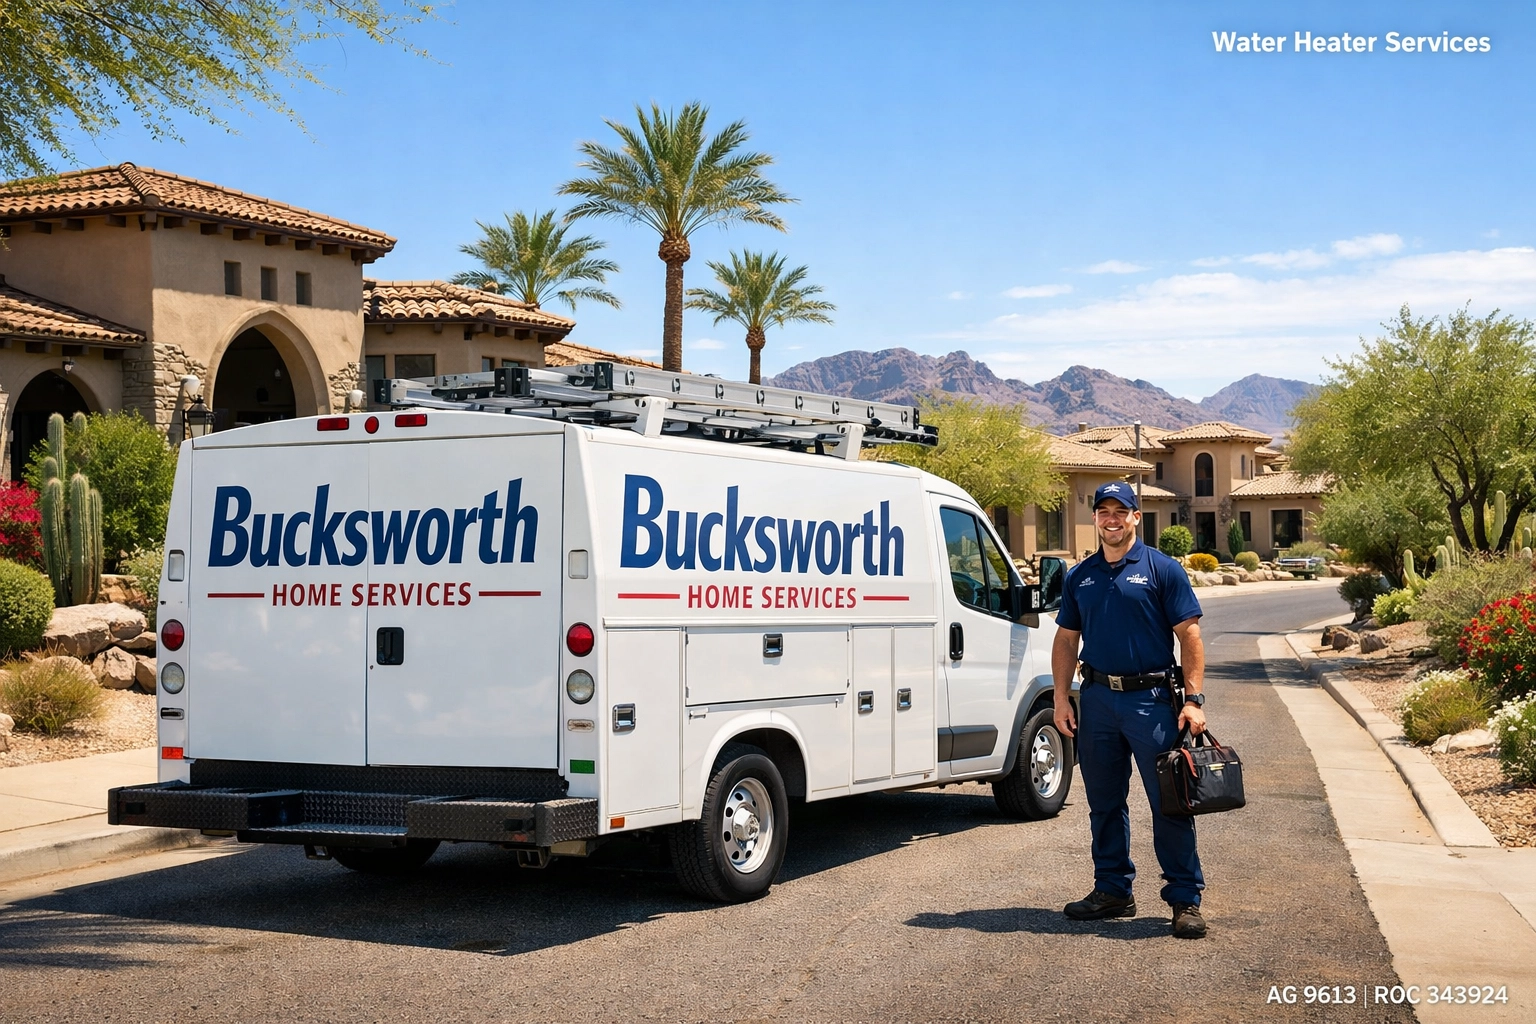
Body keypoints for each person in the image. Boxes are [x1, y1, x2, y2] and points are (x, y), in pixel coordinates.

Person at [1051, 481, 1210, 939]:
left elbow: (1190, 637)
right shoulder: (1081, 576)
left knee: (1170, 803)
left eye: (1121, 511)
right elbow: (1066, 640)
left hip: (1152, 701)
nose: (1112, 519)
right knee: (1103, 802)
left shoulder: (1163, 570)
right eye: (1104, 511)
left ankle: (1184, 899)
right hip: (1097, 700)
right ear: (1096, 518)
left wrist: (1194, 700)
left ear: (1136, 517)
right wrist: (1062, 697)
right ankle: (1113, 891)